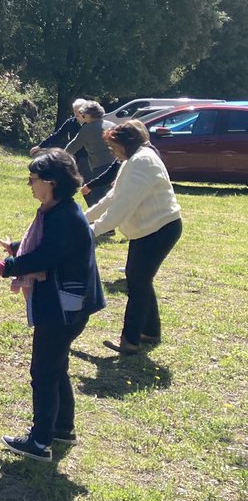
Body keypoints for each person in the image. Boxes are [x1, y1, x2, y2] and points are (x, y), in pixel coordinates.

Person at [0, 150, 105, 462]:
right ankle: (62, 428)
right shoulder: (57, 209)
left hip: (63, 308)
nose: (29, 184)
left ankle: (40, 442)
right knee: (56, 367)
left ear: (51, 182)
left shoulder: (64, 215)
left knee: (44, 371)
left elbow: (47, 256)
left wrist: (3, 265)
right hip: (68, 306)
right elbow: (48, 245)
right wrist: (18, 247)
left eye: (33, 179)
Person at [85, 120, 183, 355]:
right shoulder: (133, 160)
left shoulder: (141, 162)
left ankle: (130, 341)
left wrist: (92, 231)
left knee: (137, 282)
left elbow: (121, 208)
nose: (112, 151)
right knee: (140, 279)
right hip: (150, 229)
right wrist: (83, 219)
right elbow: (112, 197)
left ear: (126, 143)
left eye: (114, 146)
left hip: (160, 229)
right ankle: (150, 332)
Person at [65, 101, 114, 185]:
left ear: (89, 115)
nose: (82, 117)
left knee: (98, 196)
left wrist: (59, 158)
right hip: (115, 166)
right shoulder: (111, 125)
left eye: (83, 115)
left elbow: (73, 147)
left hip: (100, 167)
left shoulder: (88, 128)